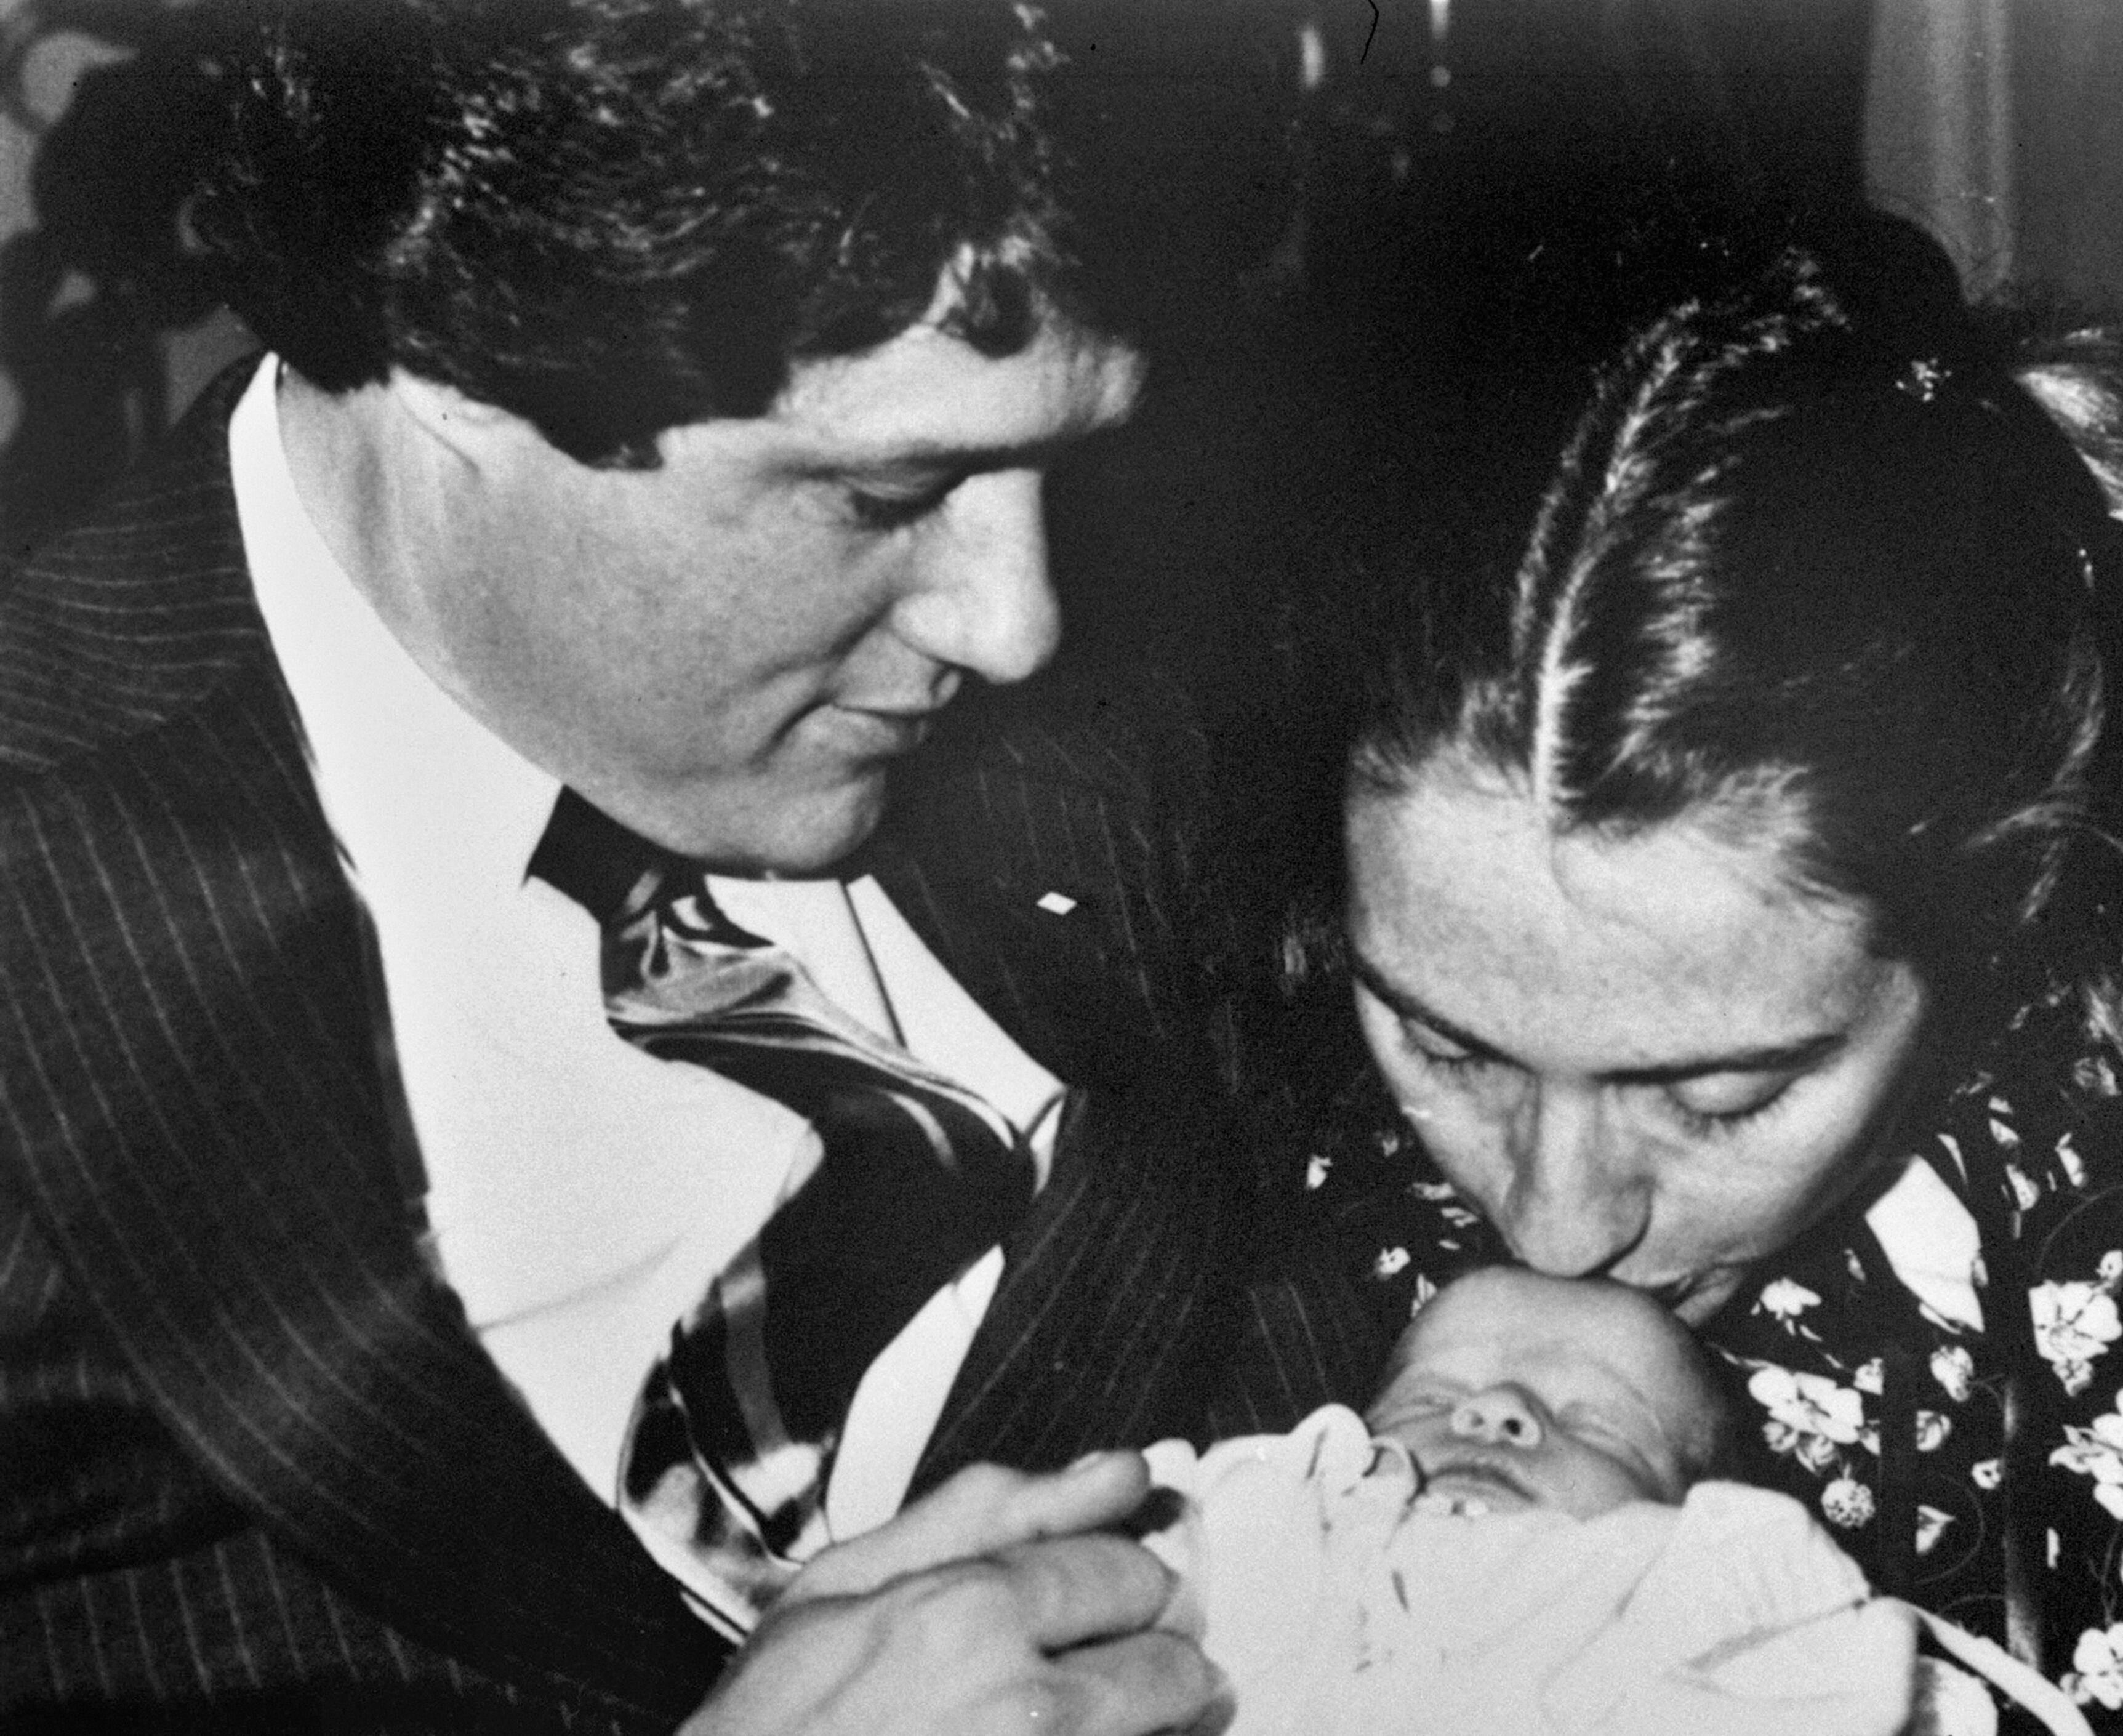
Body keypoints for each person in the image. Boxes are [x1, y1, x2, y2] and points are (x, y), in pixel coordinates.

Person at [0, 4, 1341, 1731]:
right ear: (450, 361)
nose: (1017, 623)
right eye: (884, 494)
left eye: (1059, 461)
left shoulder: (1197, 662)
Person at [1283, 212, 2123, 1732]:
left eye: (1718, 1098)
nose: (1554, 1221)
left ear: (2011, 906)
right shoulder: (1246, 1207)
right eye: (1442, 1046)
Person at [1146, 1266, 2091, 1736]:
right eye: (1431, 1400)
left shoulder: (1709, 1637)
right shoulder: (1268, 1535)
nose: (1497, 1411)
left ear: (1702, 1515)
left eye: (1595, 1427)